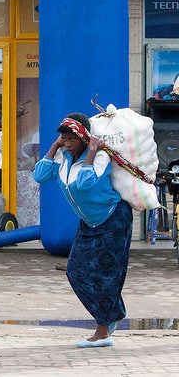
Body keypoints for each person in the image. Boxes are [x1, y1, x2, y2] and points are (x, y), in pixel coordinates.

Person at [33, 113, 132, 348]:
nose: (66, 143)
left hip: (113, 219)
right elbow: (39, 175)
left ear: (84, 139)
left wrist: (91, 151)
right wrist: (54, 146)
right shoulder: (62, 156)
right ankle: (111, 314)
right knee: (75, 271)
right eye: (63, 138)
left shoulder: (100, 156)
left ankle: (102, 332)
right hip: (89, 222)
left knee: (107, 275)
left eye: (71, 139)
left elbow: (86, 184)